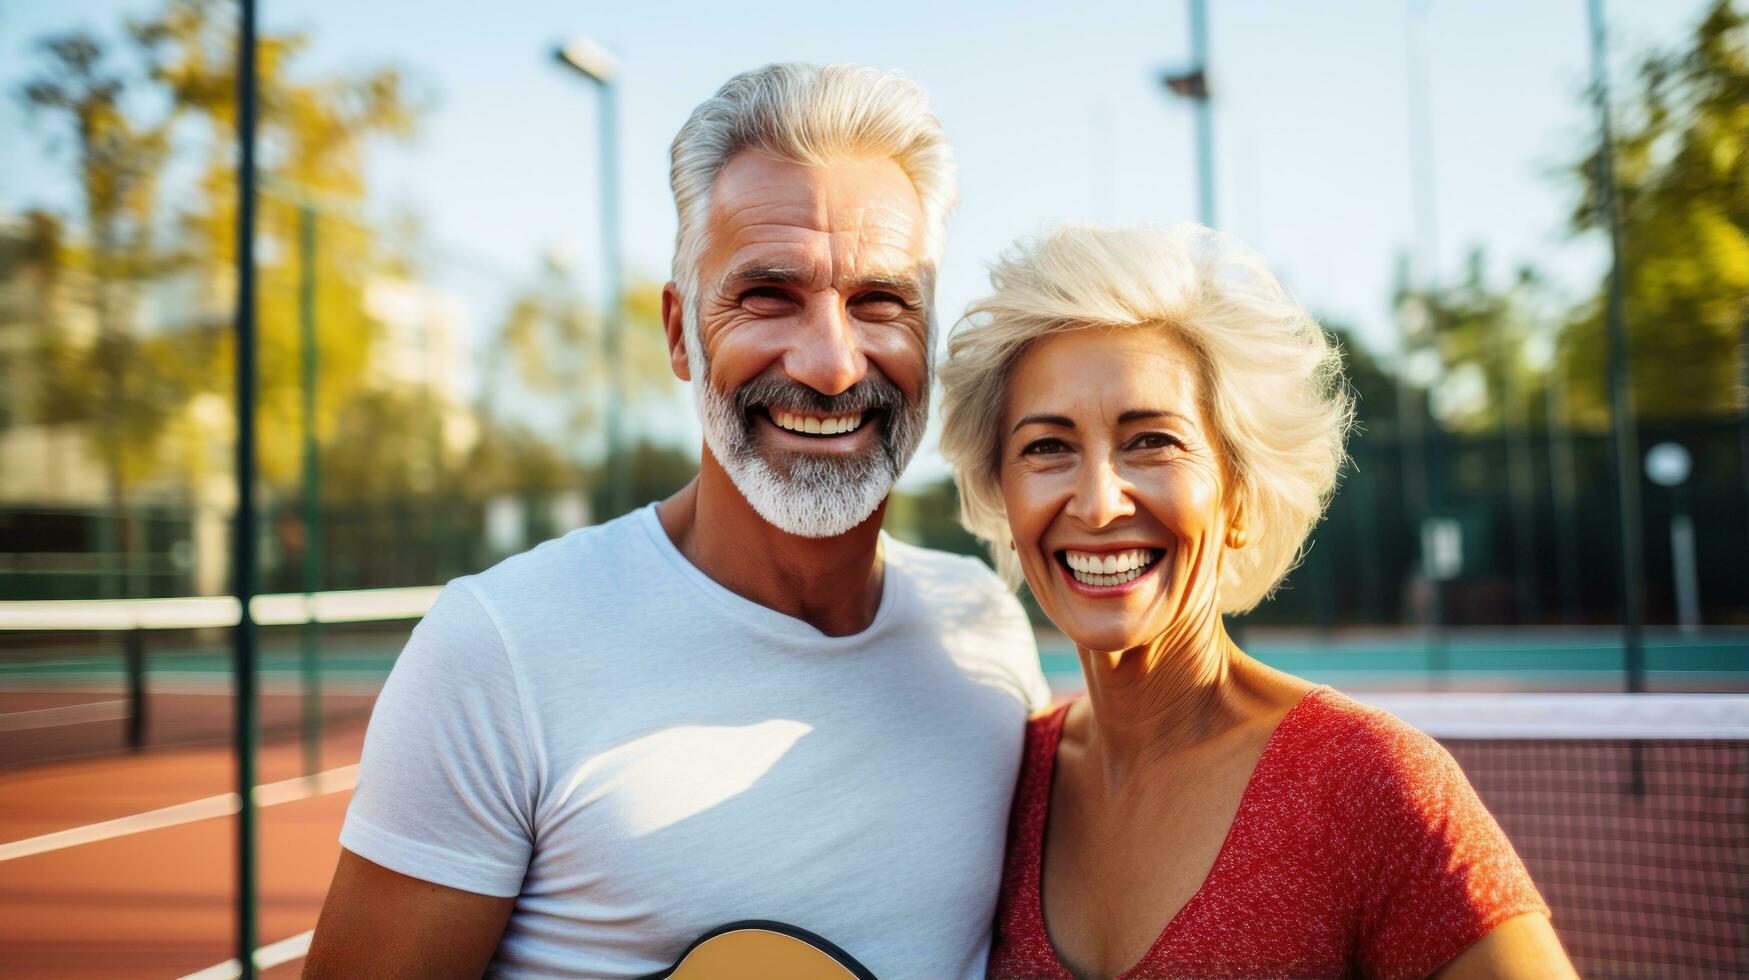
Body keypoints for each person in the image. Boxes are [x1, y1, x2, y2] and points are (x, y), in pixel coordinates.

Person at [305, 63, 1050, 979]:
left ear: (928, 338)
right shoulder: (498, 648)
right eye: (768, 295)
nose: (828, 361)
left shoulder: (981, 626)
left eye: (880, 301)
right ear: (677, 332)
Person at [938, 224, 1576, 979]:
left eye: (1152, 442)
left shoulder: (1368, 781)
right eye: (1047, 447)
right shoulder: (1003, 780)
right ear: (1002, 497)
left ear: (1239, 496)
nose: (1098, 501)